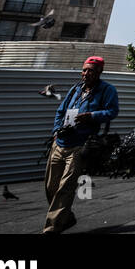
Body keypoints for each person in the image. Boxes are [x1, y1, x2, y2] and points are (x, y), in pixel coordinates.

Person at [43, 55, 119, 234]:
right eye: (84, 70)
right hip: (60, 143)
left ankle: (51, 229)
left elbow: (112, 111)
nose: (85, 73)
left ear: (99, 72)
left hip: (80, 145)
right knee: (50, 187)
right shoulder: (76, 89)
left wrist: (92, 116)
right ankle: (66, 217)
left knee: (65, 188)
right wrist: (56, 131)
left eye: (90, 71)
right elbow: (60, 111)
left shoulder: (107, 90)